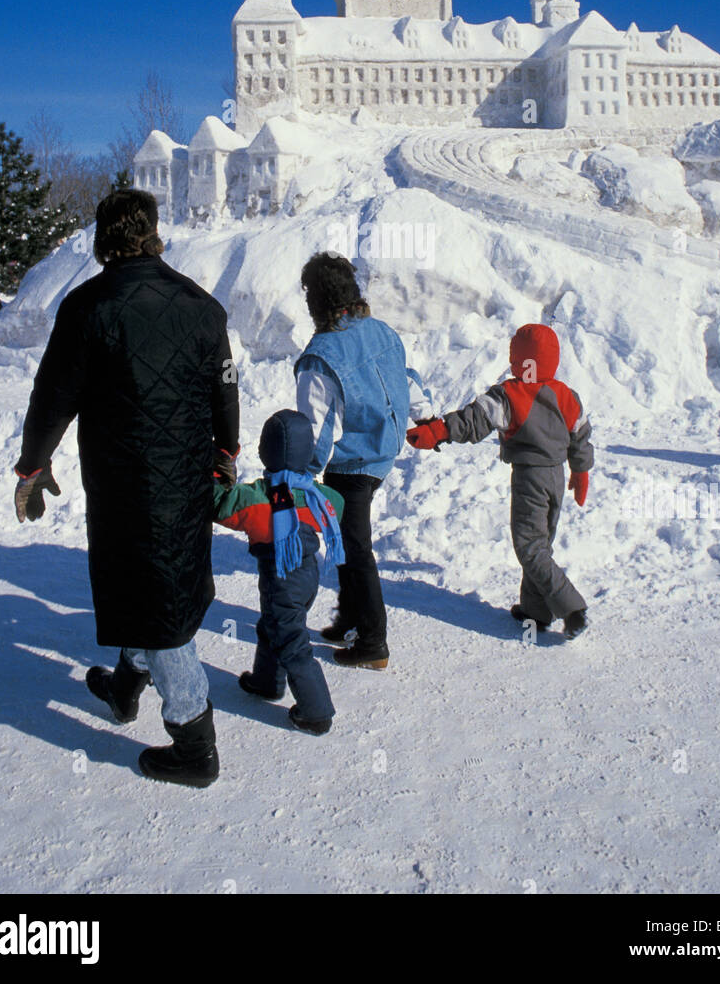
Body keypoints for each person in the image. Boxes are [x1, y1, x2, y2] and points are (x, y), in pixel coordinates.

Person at [13, 188, 240, 787]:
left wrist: (32, 465)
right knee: (161, 585)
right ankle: (122, 689)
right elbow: (225, 388)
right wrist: (226, 453)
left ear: (104, 237)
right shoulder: (201, 305)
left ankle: (194, 743)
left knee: (159, 606)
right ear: (154, 232)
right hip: (187, 480)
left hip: (124, 483)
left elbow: (52, 397)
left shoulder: (87, 306)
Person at [407, 323, 593, 639]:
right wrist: (581, 470)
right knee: (540, 543)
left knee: (530, 546)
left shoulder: (509, 395)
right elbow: (581, 435)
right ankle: (535, 612)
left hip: (530, 477)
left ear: (520, 358)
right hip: (557, 478)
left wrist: (437, 431)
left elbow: (472, 421)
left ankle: (572, 608)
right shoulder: (567, 395)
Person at [294, 252, 430, 671]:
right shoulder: (383, 332)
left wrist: (302, 473)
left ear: (316, 299)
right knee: (346, 539)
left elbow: (316, 426)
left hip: (349, 462)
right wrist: (424, 415)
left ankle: (373, 641)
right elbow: (405, 379)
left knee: (355, 546)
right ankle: (349, 619)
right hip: (381, 453)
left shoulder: (321, 355)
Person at [214, 409, 344, 735]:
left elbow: (220, 506)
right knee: (272, 625)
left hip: (281, 576)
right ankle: (265, 682)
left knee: (291, 642)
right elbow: (338, 505)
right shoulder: (314, 494)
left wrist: (214, 477)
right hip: (309, 576)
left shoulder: (259, 498)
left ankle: (317, 712)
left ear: (265, 451)